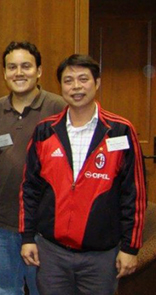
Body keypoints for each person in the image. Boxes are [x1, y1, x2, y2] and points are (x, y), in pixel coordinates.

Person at [20, 54, 146, 295]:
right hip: (52, 253)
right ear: (61, 86)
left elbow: (134, 193)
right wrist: (27, 238)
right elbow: (29, 189)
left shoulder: (119, 130)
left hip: (101, 257)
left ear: (96, 83)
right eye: (68, 81)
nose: (76, 87)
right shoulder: (45, 131)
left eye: (83, 79)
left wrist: (130, 248)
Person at [0, 41, 65, 295]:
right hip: (1, 222)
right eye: (12, 67)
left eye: (26, 66)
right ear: (5, 73)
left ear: (39, 71)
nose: (19, 73)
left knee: (43, 289)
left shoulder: (59, 108)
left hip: (45, 226)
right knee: (4, 289)